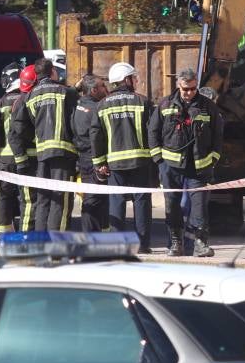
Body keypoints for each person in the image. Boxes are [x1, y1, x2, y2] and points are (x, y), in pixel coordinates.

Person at [148, 68, 221, 258]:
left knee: (199, 207)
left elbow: (218, 136)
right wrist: (159, 160)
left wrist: (213, 159)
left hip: (198, 166)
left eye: (193, 89)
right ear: (178, 86)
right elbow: (153, 132)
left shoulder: (207, 107)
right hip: (170, 167)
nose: (189, 93)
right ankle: (176, 244)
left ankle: (200, 244)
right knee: (172, 206)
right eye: (185, 89)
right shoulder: (165, 104)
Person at [10, 58, 78, 231]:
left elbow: (18, 126)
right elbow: (75, 123)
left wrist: (34, 137)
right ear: (53, 71)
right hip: (63, 153)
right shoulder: (66, 92)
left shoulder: (29, 96)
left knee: (43, 198)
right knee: (60, 199)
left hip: (41, 155)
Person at [92, 62, 154, 248]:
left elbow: (96, 135)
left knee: (116, 202)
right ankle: (142, 244)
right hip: (140, 162)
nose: (135, 81)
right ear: (126, 80)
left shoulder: (102, 105)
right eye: (133, 78)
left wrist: (99, 163)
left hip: (114, 163)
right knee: (142, 202)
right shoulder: (143, 102)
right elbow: (153, 131)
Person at [0, 65, 36, 234]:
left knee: (3, 196)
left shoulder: (1, 103)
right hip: (28, 157)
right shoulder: (29, 99)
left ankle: (3, 232)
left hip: (5, 160)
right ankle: (27, 232)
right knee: (27, 198)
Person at [72, 73, 110, 233]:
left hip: (82, 158)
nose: (106, 88)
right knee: (94, 200)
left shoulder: (76, 105)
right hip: (93, 159)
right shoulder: (96, 109)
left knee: (95, 198)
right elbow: (98, 137)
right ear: (94, 90)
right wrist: (100, 163)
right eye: (102, 86)